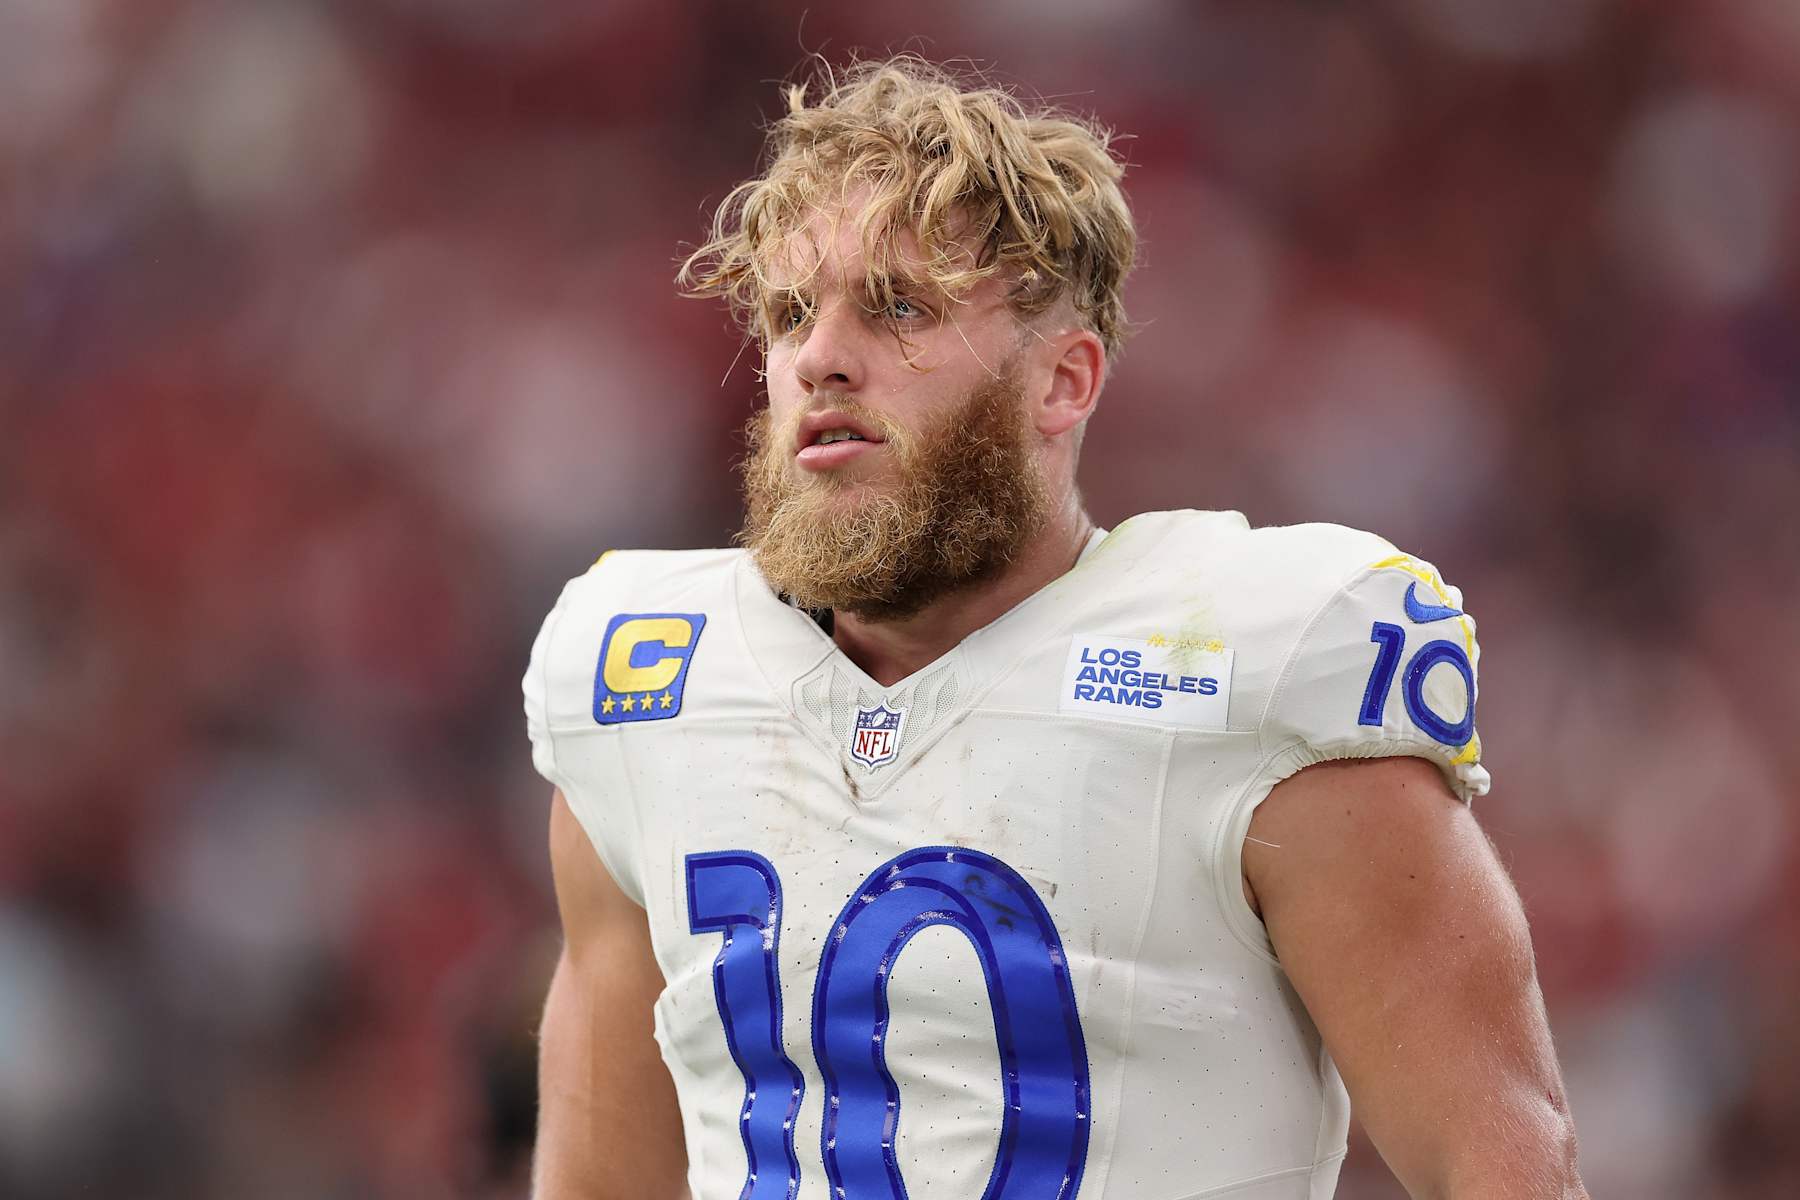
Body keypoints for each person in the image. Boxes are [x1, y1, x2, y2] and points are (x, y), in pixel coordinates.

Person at [523, 56, 1588, 1200]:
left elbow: (1501, 1167)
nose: (820, 356)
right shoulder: (648, 680)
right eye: (791, 313)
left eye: (899, 306)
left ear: (1063, 382)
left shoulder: (1259, 666)